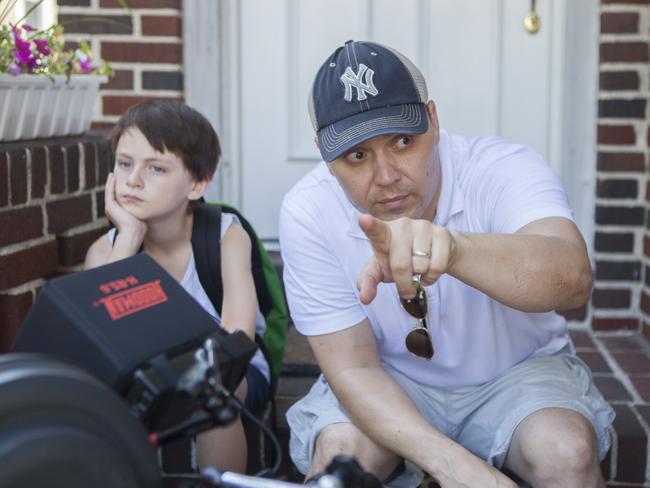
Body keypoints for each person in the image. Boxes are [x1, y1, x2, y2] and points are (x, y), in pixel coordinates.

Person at [279, 40, 614, 488]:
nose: (386, 176)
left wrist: (453, 250)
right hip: (389, 374)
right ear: (324, 152)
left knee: (566, 453)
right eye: (357, 155)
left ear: (433, 121)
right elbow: (353, 368)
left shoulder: (500, 168)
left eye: (402, 141)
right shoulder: (308, 208)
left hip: (516, 372)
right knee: (341, 456)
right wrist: (459, 468)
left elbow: (572, 278)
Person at [84, 100, 269, 473]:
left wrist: (186, 382)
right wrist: (129, 238)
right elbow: (106, 345)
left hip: (233, 370)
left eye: (155, 168)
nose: (133, 179)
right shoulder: (104, 251)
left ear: (198, 184)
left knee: (214, 392)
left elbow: (236, 340)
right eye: (124, 164)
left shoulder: (225, 237)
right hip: (147, 377)